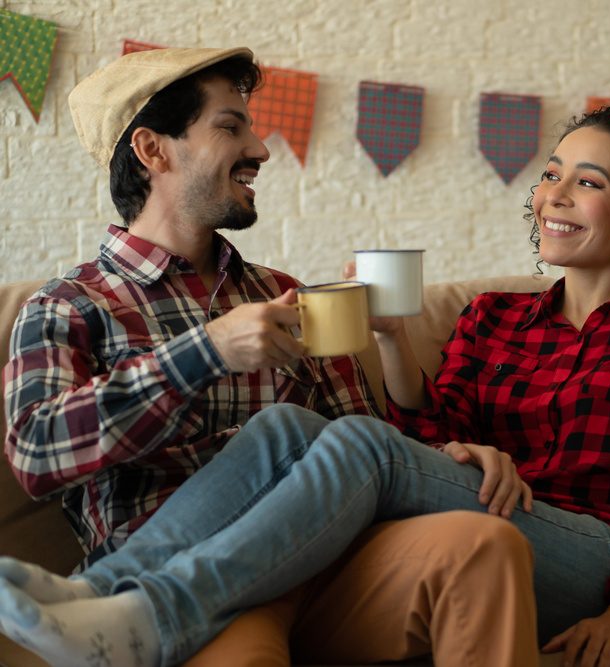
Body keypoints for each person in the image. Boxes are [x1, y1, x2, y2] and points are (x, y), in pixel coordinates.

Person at [1, 83, 610, 667]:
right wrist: (434, 408)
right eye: (551, 175)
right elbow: (431, 442)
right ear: (152, 150)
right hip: (450, 516)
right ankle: (98, 592)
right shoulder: (494, 316)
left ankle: (153, 611)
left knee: (357, 442)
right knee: (286, 427)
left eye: (587, 182)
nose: (554, 193)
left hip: (595, 549)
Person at [0, 46, 538, 667]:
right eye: (231, 127)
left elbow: (364, 446)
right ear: (153, 150)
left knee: (481, 543)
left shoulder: (284, 294)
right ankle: (139, 611)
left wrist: (443, 456)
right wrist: (205, 353)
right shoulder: (69, 305)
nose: (260, 148)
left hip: (325, 563)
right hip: (175, 578)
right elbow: (36, 453)